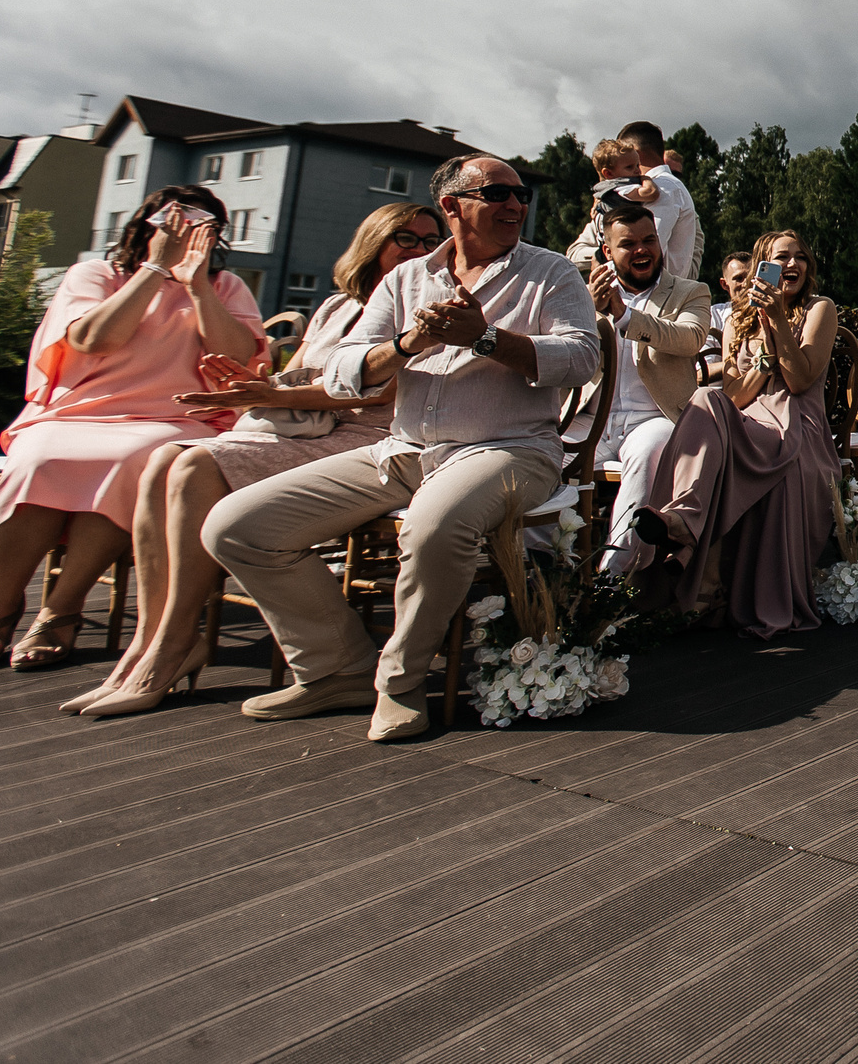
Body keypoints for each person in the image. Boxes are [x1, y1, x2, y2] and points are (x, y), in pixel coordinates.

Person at [201, 155, 599, 742]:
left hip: (510, 451)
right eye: (497, 193)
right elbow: (342, 370)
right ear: (451, 206)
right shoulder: (405, 280)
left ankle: (400, 680)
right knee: (235, 527)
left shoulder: (552, 273)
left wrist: (484, 338)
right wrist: (409, 342)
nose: (516, 205)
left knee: (434, 525)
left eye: (521, 196)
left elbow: (582, 358)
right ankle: (337, 665)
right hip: (403, 452)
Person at [58, 200, 445, 717]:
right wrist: (258, 386)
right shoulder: (335, 308)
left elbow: (374, 393)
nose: (419, 249)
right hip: (306, 433)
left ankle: (173, 644)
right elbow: (304, 374)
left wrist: (266, 397)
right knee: (164, 458)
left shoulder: (428, 308)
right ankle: (150, 642)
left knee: (195, 464)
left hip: (368, 437)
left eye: (428, 240)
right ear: (374, 242)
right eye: (406, 238)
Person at [0, 185, 266, 672]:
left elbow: (237, 356)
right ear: (150, 223)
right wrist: (155, 270)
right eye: (175, 220)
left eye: (202, 224)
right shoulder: (97, 274)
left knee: (133, 461)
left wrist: (197, 285)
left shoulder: (226, 287)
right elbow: (96, 338)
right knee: (39, 459)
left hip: (177, 416)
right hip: (80, 412)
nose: (186, 231)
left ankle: (61, 609)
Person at [622, 230, 839, 636]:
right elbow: (734, 397)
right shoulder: (738, 318)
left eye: (799, 257)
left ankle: (687, 541)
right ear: (762, 267)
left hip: (797, 425)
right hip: (748, 422)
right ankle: (682, 523)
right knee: (705, 397)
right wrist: (762, 362)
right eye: (780, 258)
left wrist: (776, 322)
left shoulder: (819, 309)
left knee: (719, 435)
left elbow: (799, 380)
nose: (791, 265)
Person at [583, 201, 712, 573]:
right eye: (629, 244)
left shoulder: (689, 291)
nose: (642, 250)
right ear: (607, 251)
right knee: (542, 457)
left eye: (649, 240)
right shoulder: (583, 293)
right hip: (590, 419)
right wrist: (592, 313)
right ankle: (542, 573)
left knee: (648, 456)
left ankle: (615, 578)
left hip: (653, 416)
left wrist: (623, 315)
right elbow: (570, 355)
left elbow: (689, 338)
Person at [570, 122, 698, 281]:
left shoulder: (664, 188)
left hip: (655, 298)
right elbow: (574, 253)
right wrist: (606, 250)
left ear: (634, 153)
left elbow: (645, 252)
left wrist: (608, 252)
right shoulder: (619, 196)